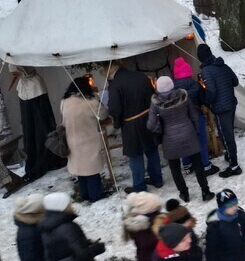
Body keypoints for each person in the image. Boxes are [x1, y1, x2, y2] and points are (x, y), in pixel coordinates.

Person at [150, 76, 214, 203]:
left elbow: (151, 124)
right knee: (198, 164)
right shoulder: (184, 97)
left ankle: (184, 193)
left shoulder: (155, 103)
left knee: (175, 168)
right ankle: (205, 191)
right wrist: (195, 131)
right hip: (189, 134)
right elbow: (194, 116)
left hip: (169, 139)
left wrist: (160, 130)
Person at [107, 60, 161, 193]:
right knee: (152, 149)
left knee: (135, 155)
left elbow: (114, 108)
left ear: (110, 69)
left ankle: (139, 186)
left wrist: (117, 122)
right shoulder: (140, 76)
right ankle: (157, 179)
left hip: (131, 123)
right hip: (148, 117)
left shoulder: (115, 84)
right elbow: (153, 95)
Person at [61, 76, 109, 203]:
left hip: (71, 139)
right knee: (91, 170)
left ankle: (85, 194)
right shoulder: (91, 102)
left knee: (80, 170)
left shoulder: (64, 102)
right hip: (89, 140)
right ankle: (96, 195)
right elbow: (103, 115)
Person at [197, 43, 242, 177]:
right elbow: (235, 81)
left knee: (226, 135)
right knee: (227, 133)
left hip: (221, 107)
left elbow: (211, 91)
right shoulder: (222, 65)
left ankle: (234, 166)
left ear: (200, 57)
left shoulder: (207, 71)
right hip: (231, 104)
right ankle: (229, 155)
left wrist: (206, 101)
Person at [171, 57, 217, 178]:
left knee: (184, 142)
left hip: (180, 119)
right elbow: (203, 100)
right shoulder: (195, 85)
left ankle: (187, 165)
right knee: (201, 141)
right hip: (196, 116)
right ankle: (205, 165)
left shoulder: (172, 90)